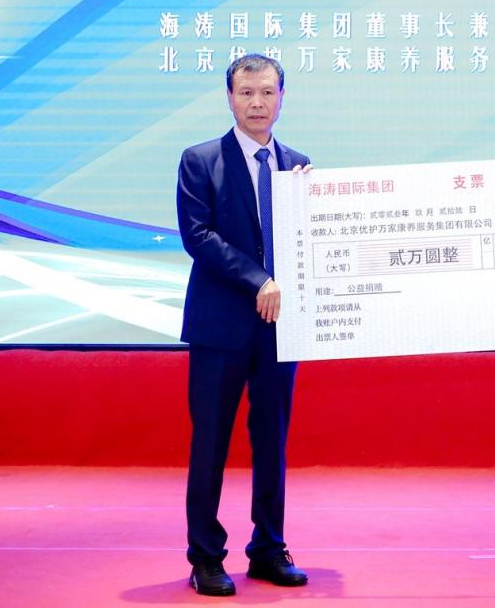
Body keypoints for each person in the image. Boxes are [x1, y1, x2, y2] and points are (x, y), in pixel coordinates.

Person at [176, 53, 311, 597]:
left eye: (267, 92)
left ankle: (269, 548)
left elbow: (307, 244)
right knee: (211, 442)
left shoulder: (299, 166)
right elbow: (199, 237)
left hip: (280, 327)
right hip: (220, 326)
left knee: (272, 441)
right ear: (229, 98)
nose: (258, 103)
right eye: (247, 93)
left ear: (282, 97)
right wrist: (259, 280)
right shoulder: (200, 160)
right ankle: (206, 556)